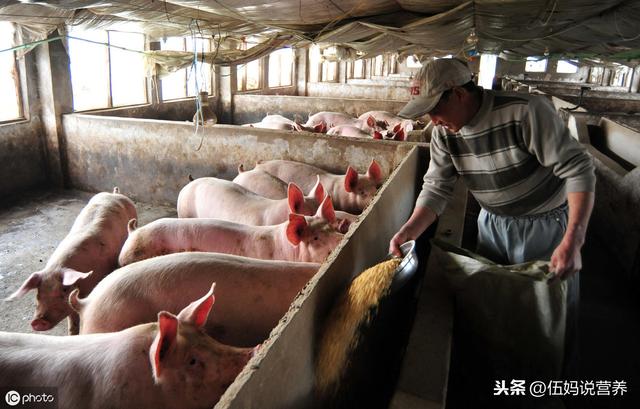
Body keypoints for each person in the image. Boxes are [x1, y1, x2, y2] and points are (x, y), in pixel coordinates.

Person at [389, 57, 595, 280]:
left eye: (435, 110)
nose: (434, 121)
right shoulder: (443, 134)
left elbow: (578, 168)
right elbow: (436, 188)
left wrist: (574, 239)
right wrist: (409, 231)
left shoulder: (525, 111)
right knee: (495, 297)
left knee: (543, 302)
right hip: (491, 223)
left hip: (543, 225)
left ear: (459, 94)